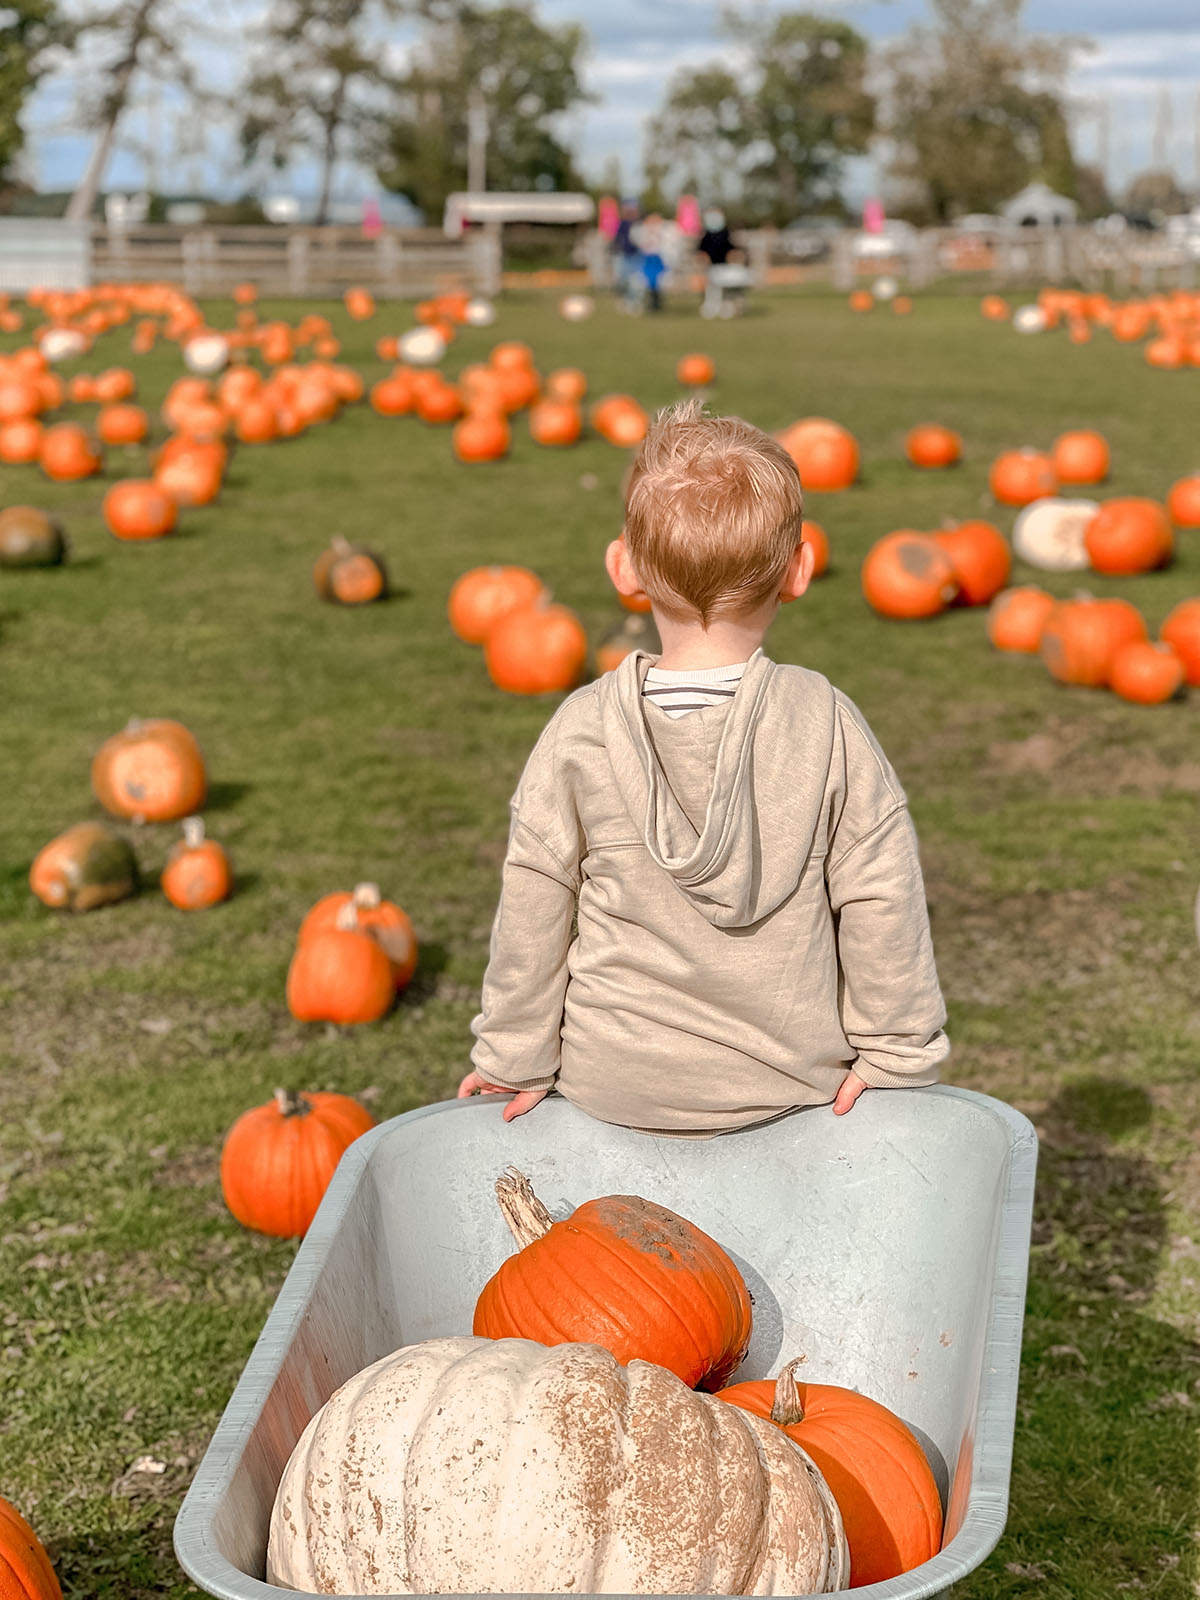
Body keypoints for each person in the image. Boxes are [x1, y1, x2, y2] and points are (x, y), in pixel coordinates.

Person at [458, 402, 949, 1136]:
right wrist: (896, 1050)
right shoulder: (826, 720)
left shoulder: (581, 730)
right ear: (800, 571)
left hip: (613, 1091)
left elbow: (535, 900)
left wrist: (515, 1055)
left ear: (622, 567)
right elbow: (882, 893)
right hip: (788, 1091)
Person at [611, 199, 642, 313]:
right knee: (622, 281)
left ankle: (634, 303)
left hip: (636, 256)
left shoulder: (639, 224)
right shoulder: (621, 224)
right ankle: (625, 301)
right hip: (623, 256)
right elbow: (617, 240)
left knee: (635, 283)